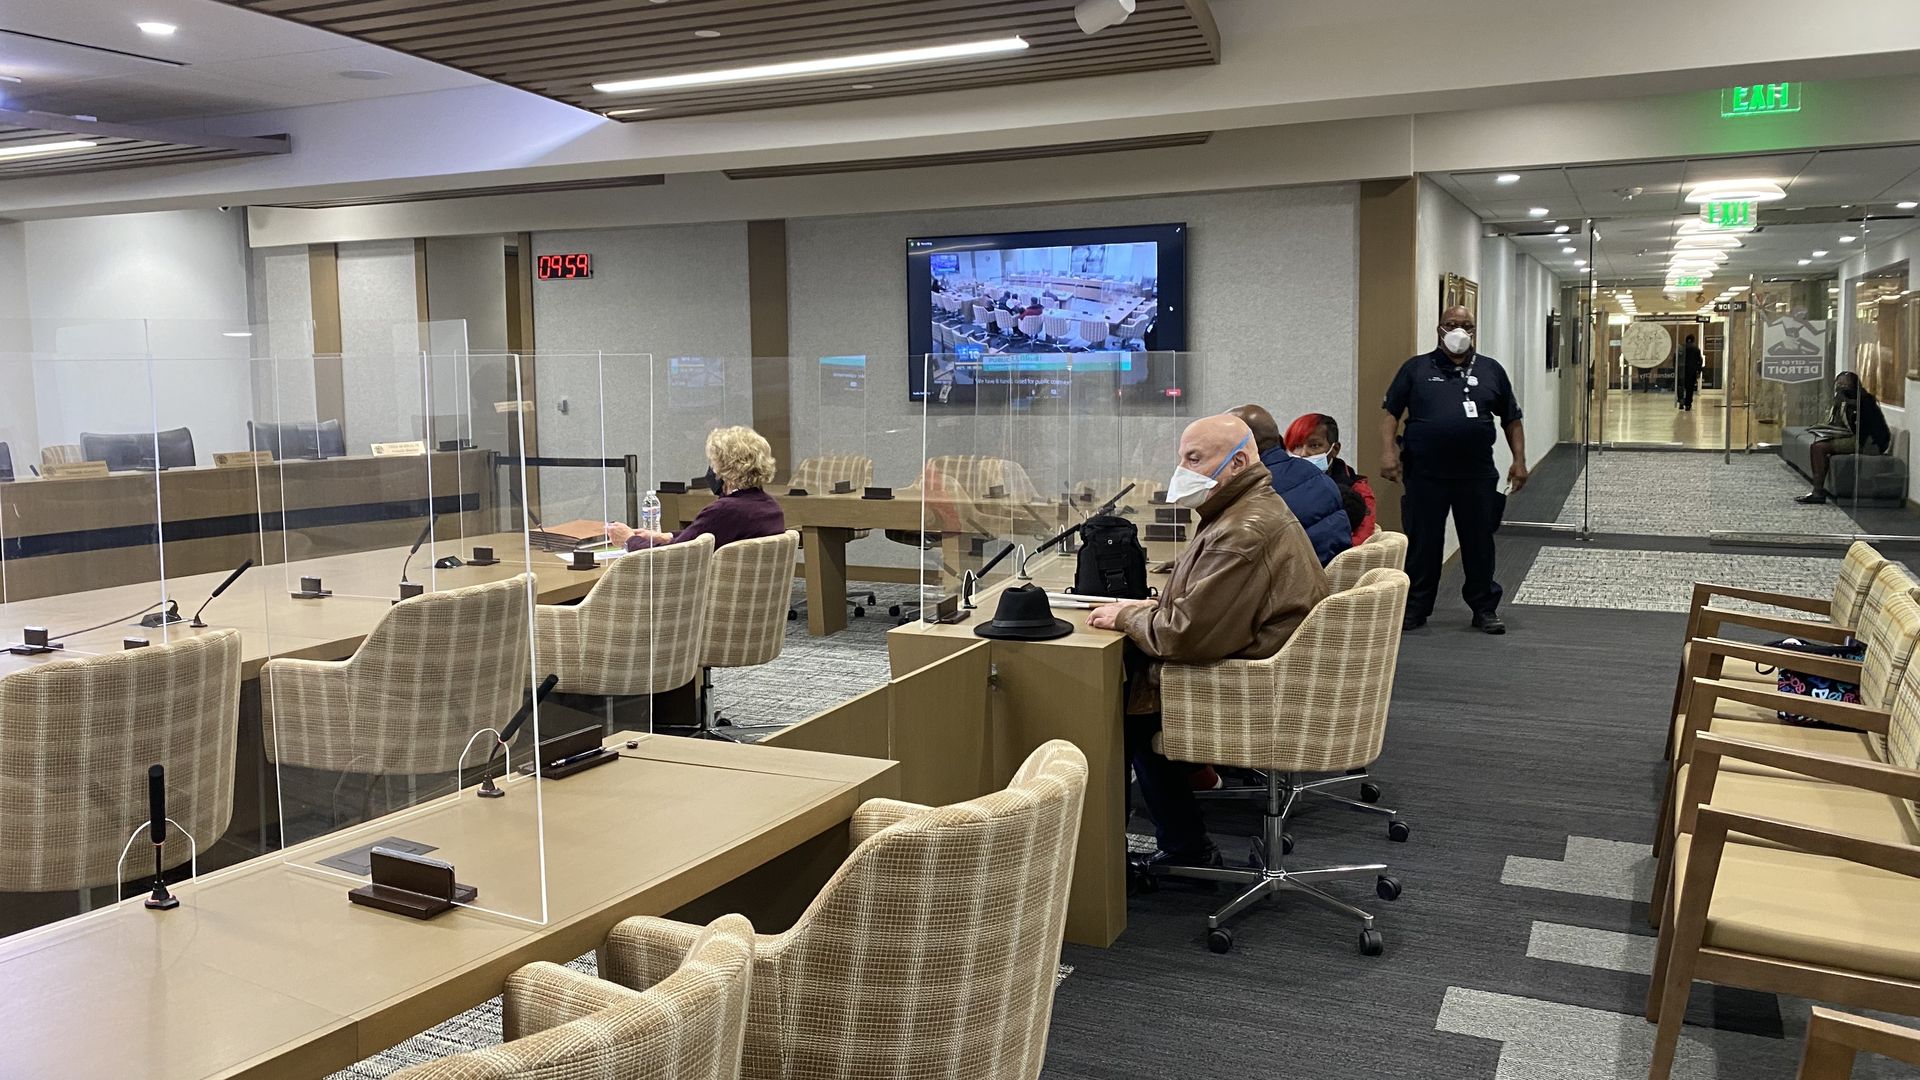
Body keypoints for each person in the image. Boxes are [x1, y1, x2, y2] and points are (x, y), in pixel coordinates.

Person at [1086, 414, 1329, 868]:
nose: (1183, 468)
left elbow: (1182, 635)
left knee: (1126, 711)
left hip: (1254, 692)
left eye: (1194, 458)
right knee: (1138, 706)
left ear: (1237, 463)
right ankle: (1186, 844)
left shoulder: (1242, 529)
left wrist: (1130, 615)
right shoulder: (1246, 510)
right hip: (1272, 674)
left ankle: (1127, 862)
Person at [1380, 305, 1527, 635]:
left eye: (1466, 325)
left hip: (1476, 474)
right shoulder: (1416, 369)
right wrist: (1388, 452)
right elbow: (1391, 412)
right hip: (1424, 474)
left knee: (1478, 544)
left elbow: (1512, 419)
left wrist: (1519, 461)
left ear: (1474, 331)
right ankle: (1416, 607)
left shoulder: (1491, 371)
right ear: (1439, 329)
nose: (1459, 331)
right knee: (1423, 544)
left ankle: (1483, 608)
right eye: (1451, 324)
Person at [609, 426, 785, 550]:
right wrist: (666, 536)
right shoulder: (771, 508)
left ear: (727, 469)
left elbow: (673, 555)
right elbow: (699, 536)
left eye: (713, 463)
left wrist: (629, 540)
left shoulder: (725, 511)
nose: (710, 470)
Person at [1227, 403, 1350, 566]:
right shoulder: (1322, 479)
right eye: (1297, 446)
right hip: (1320, 580)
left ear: (1237, 450)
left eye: (1195, 459)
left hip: (1287, 583)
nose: (1304, 453)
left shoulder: (1255, 489)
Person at [1795, 370, 1890, 504]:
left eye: (1844, 386)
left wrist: (1850, 404)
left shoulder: (1865, 402)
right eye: (1838, 385)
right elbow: (1838, 423)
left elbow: (1863, 429)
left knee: (1818, 448)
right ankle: (1819, 488)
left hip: (1869, 442)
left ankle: (1818, 492)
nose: (1840, 389)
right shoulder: (1842, 401)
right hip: (1855, 437)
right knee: (1820, 443)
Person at [1285, 412, 1377, 546]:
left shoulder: (1358, 489)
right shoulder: (1278, 484)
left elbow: (1359, 543)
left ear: (1335, 449)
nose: (1303, 454)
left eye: (1314, 445)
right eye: (1297, 446)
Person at [1678, 334, 1704, 411]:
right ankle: (1688, 404)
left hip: (1682, 371)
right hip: (1691, 372)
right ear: (1693, 340)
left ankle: (1681, 402)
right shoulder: (1696, 349)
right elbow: (1700, 361)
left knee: (1681, 387)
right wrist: (1699, 371)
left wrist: (1676, 369)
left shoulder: (1681, 348)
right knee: (1690, 388)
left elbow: (1676, 359)